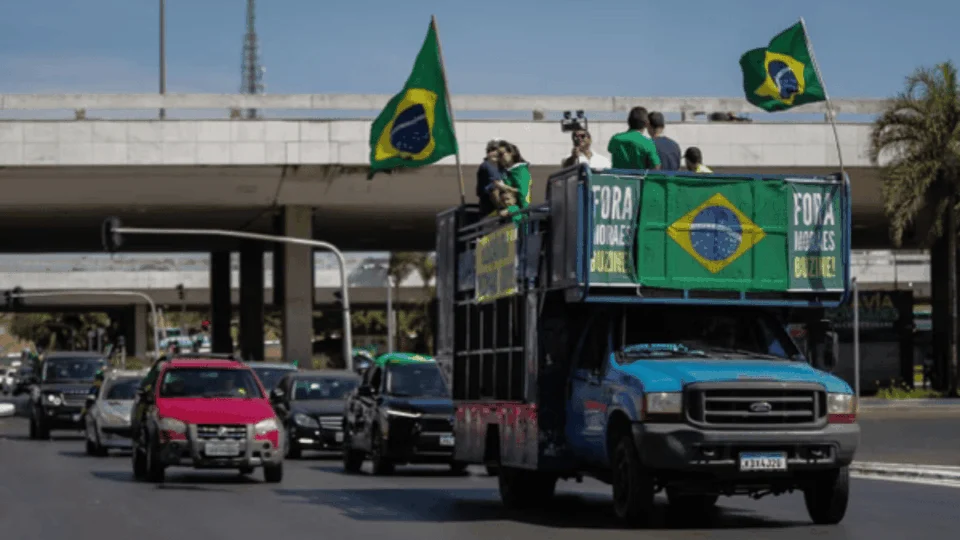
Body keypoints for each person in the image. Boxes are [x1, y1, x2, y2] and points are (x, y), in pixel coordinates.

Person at [492, 141, 532, 222]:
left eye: (501, 154)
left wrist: (505, 187)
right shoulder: (508, 172)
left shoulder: (521, 171)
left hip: (519, 216)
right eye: (497, 156)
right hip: (507, 214)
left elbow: (523, 194)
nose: (499, 159)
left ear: (511, 153)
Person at [476, 139, 503, 217]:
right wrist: (501, 208)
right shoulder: (487, 166)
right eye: (493, 150)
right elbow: (493, 190)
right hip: (491, 212)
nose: (496, 153)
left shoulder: (500, 167)